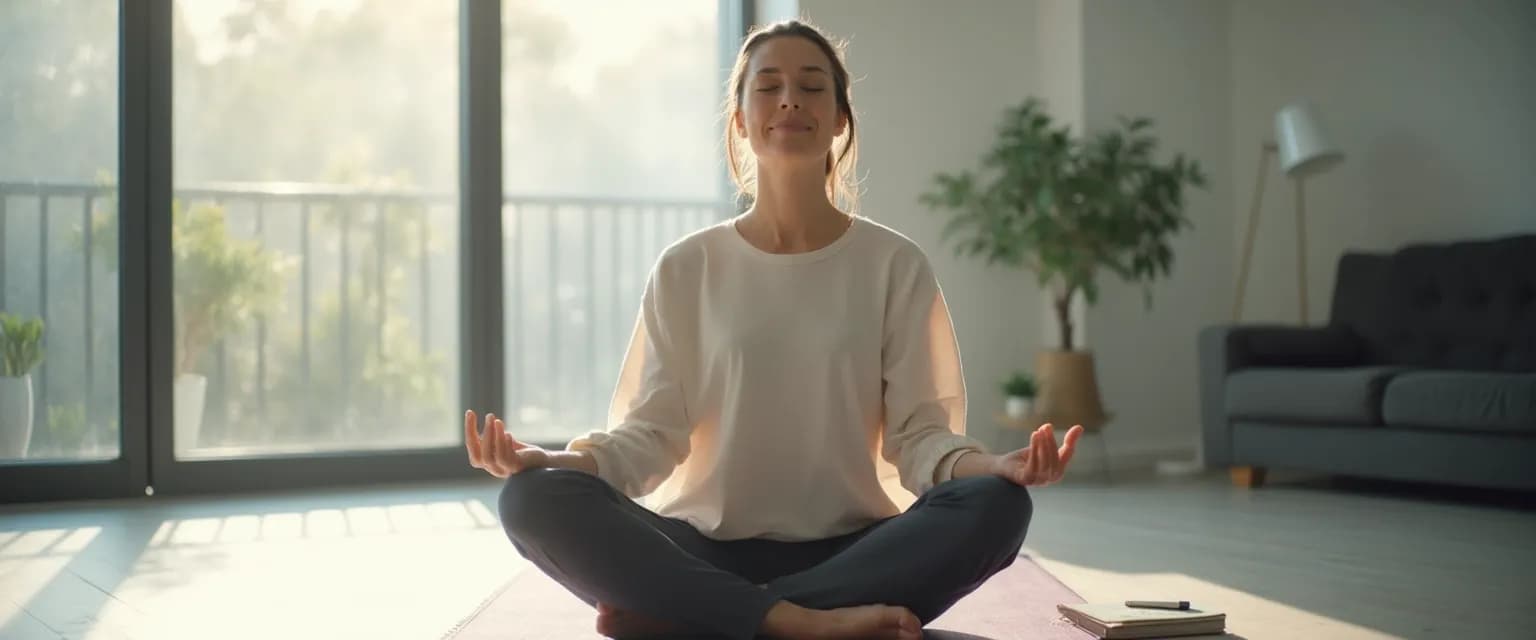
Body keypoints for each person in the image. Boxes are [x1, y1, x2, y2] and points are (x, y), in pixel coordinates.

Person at [464, 18, 1084, 640]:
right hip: (701, 549)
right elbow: (649, 435)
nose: (790, 100)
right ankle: (795, 622)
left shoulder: (894, 264)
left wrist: (994, 466)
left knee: (998, 506)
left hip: (852, 553)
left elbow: (920, 437)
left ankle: (707, 616)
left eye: (812, 87)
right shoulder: (688, 266)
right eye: (769, 87)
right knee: (531, 498)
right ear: (739, 119)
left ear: (840, 119)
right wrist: (557, 460)